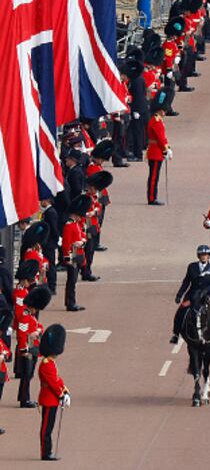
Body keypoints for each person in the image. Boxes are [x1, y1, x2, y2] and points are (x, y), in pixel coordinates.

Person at [170, 245, 210, 345]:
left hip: (208, 294)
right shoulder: (192, 267)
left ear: (208, 256)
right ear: (198, 256)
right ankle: (176, 334)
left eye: (206, 255)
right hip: (193, 294)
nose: (204, 256)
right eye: (202, 255)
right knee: (181, 310)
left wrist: (205, 291)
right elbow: (186, 282)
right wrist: (179, 295)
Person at [37, 324, 69, 461]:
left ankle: (48, 451)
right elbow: (53, 383)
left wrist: (65, 390)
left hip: (53, 399)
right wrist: (61, 394)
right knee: (46, 428)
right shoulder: (46, 364)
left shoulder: (50, 363)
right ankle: (45, 452)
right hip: (49, 399)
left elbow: (57, 379)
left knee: (49, 426)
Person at [16, 286, 50, 408]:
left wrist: (37, 331)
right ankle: (24, 400)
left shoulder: (30, 315)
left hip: (32, 347)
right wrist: (23, 350)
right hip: (28, 349)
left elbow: (38, 326)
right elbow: (22, 334)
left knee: (29, 375)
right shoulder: (25, 315)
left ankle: (24, 397)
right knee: (27, 375)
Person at [61, 195, 90, 312]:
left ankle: (72, 302)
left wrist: (81, 242)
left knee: (73, 281)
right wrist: (68, 258)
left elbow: (83, 237)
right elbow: (66, 244)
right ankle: (70, 303)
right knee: (71, 281)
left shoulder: (75, 224)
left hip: (77, 255)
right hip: (72, 257)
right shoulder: (69, 226)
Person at [146, 90, 172, 206]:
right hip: (156, 152)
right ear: (160, 110)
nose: (165, 113)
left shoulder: (156, 120)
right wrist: (166, 150)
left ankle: (153, 196)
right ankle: (152, 198)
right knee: (154, 177)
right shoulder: (156, 121)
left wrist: (167, 147)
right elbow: (160, 138)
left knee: (154, 176)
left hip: (156, 151)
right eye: (164, 111)